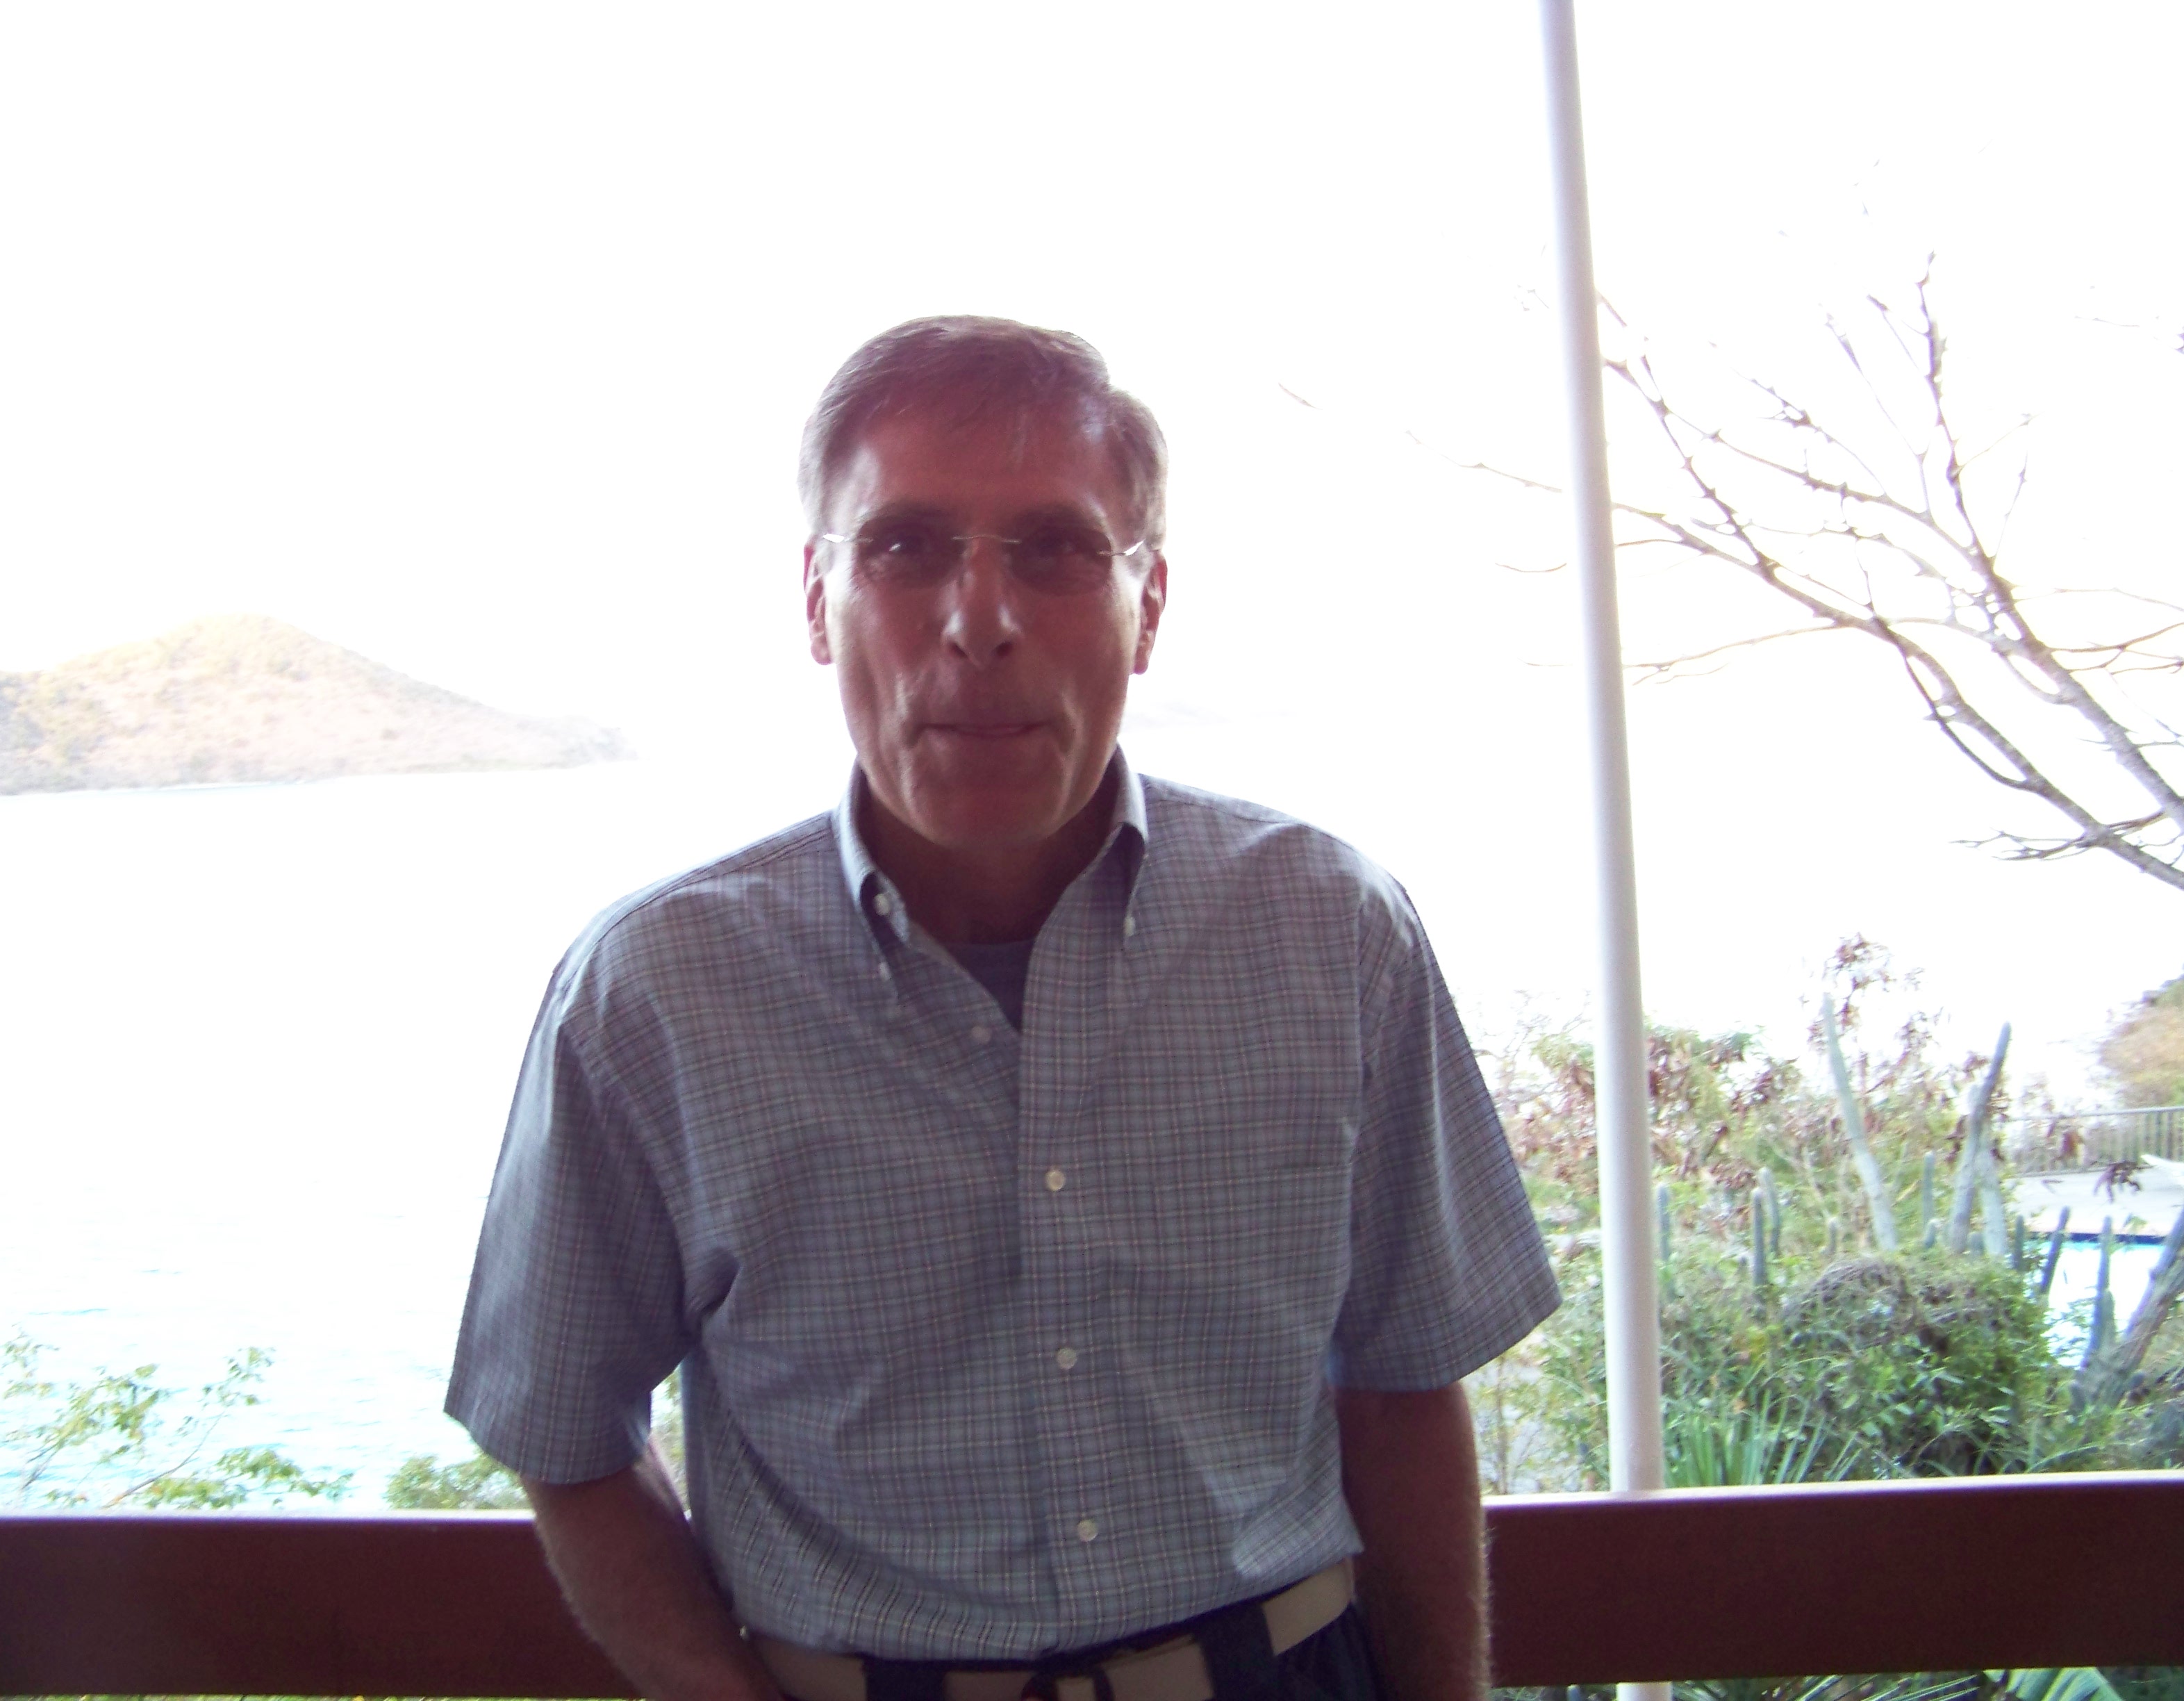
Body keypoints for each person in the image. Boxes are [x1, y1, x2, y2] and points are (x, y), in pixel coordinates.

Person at [447, 317, 1558, 1701]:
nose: (980, 620)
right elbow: (564, 1438)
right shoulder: (654, 995)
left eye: (1056, 549)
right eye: (905, 548)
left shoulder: (1333, 934)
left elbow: (1404, 1387)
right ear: (817, 600)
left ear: (1152, 602)